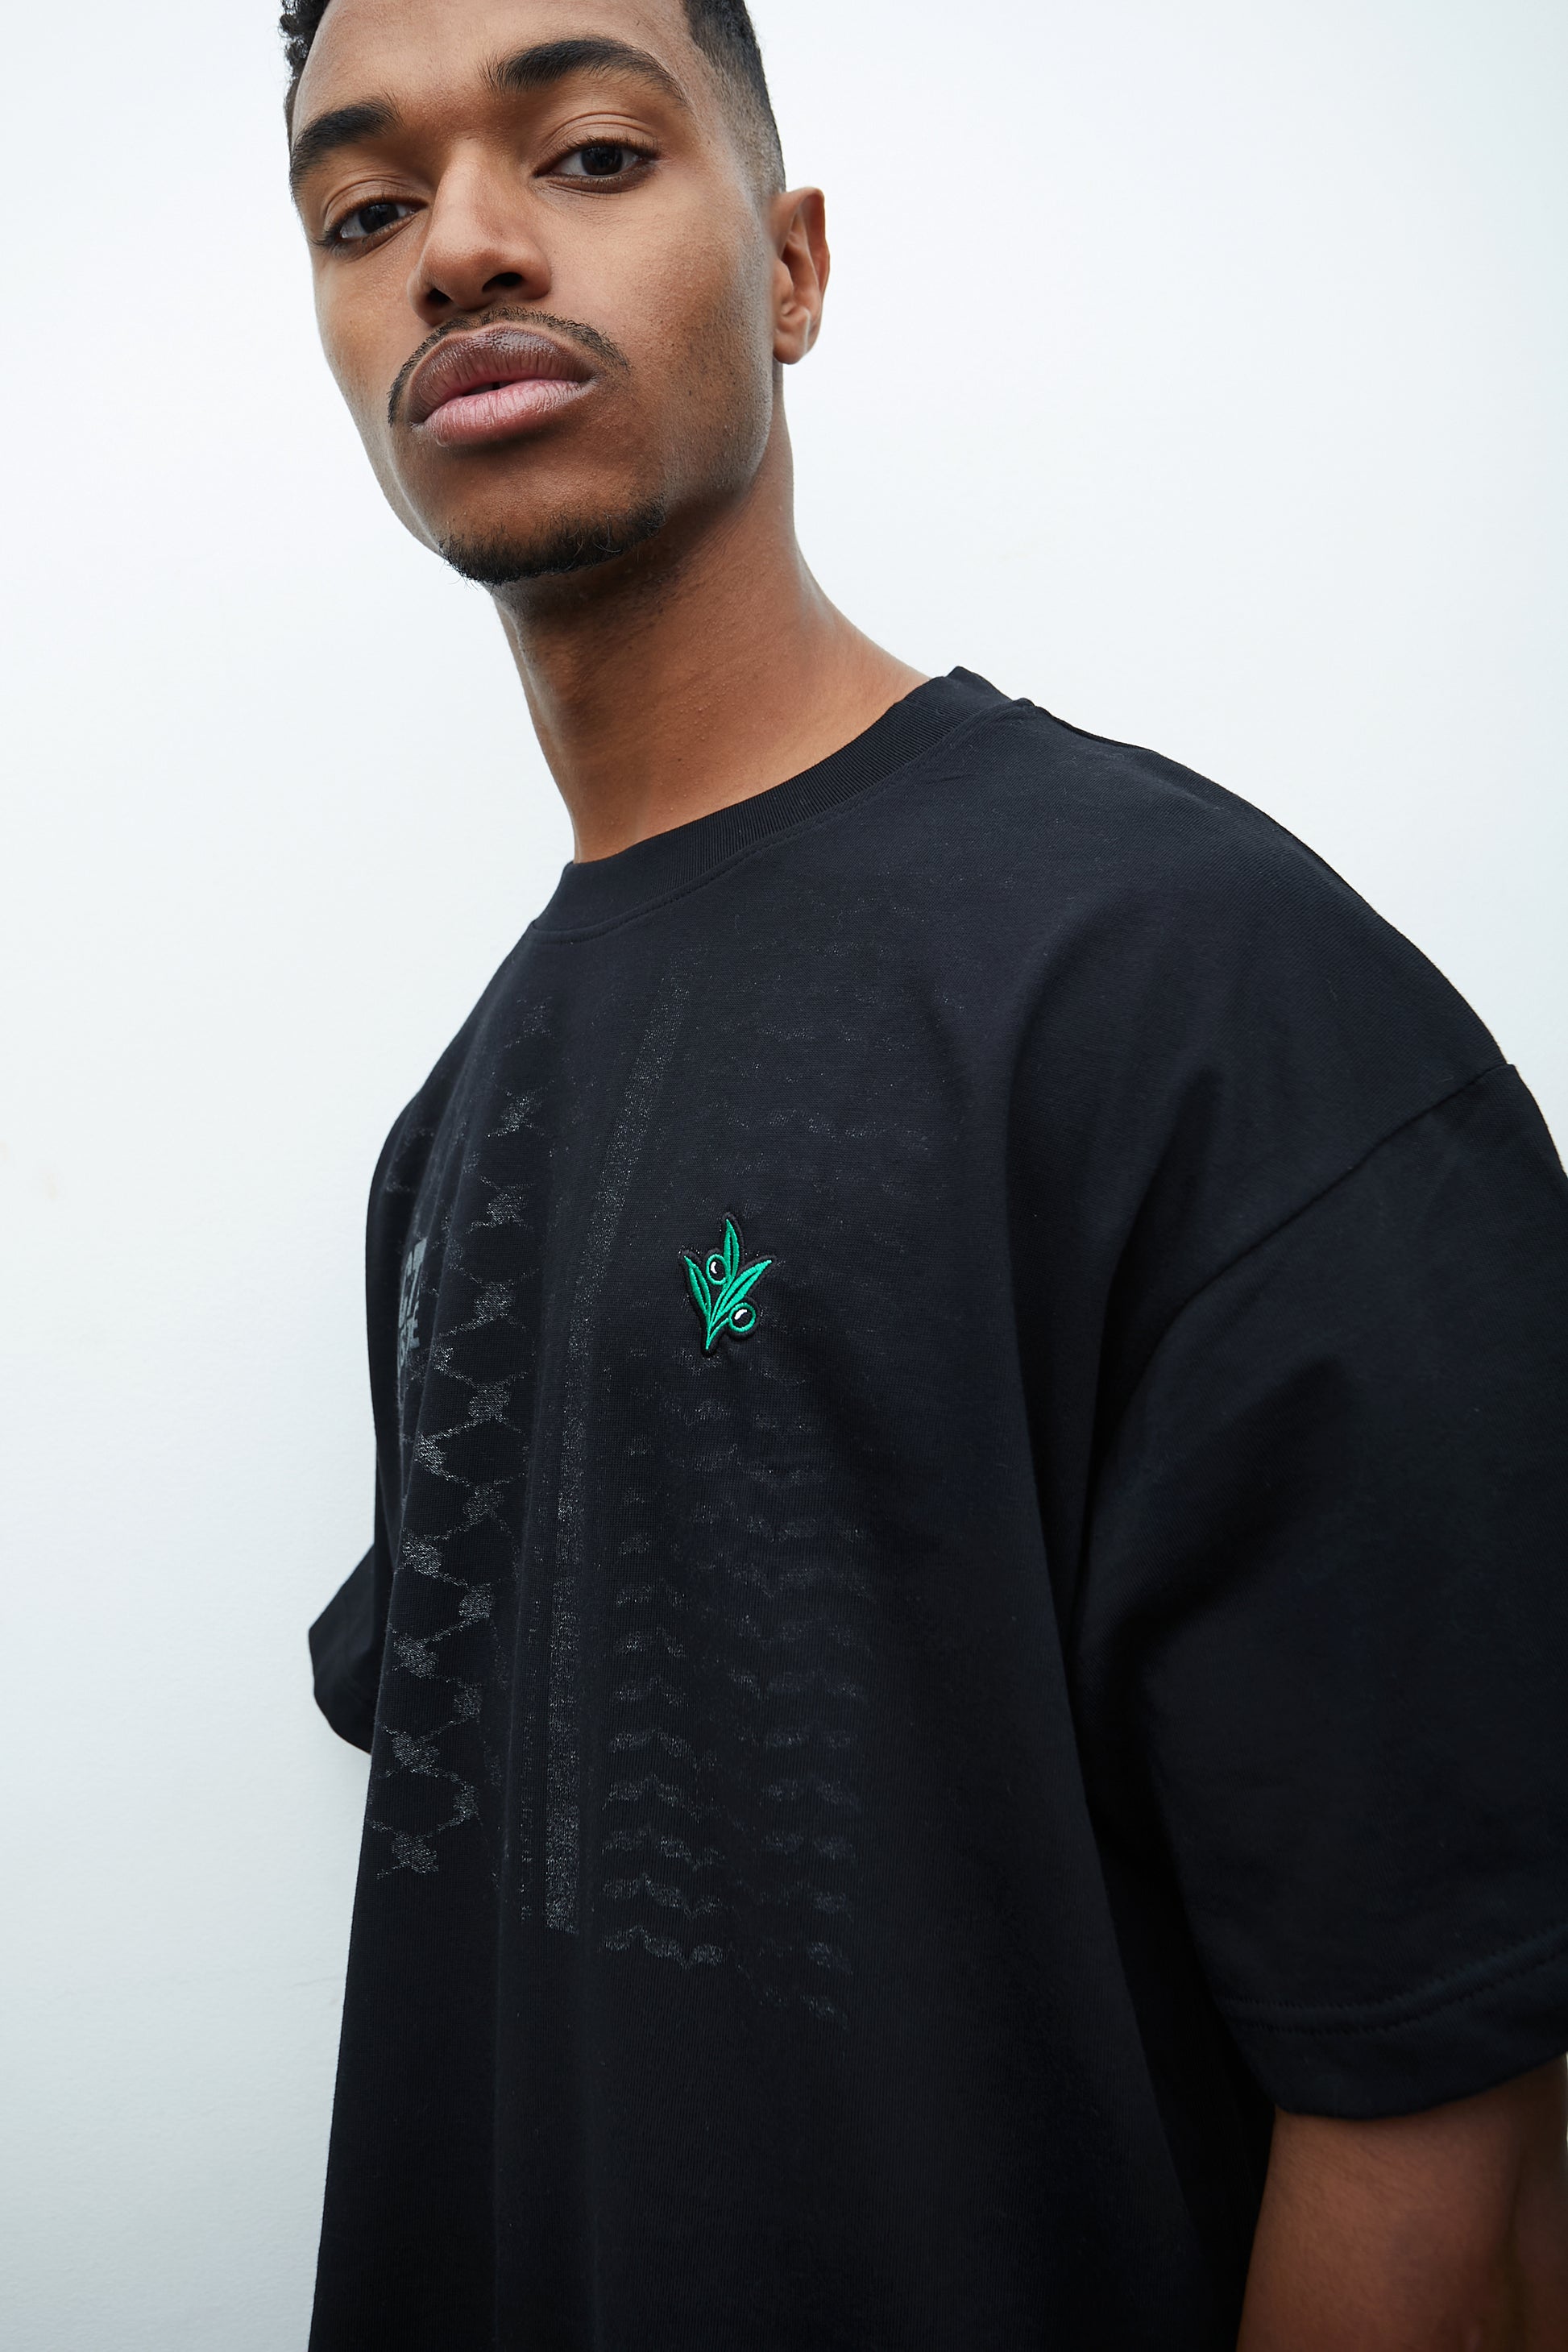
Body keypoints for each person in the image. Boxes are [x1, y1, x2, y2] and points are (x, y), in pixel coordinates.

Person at [285, 1, 1568, 2343]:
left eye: (588, 152)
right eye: (365, 208)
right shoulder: (454, 1130)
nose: (458, 247)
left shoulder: (1203, 996)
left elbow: (1447, 2159)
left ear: (788, 267)